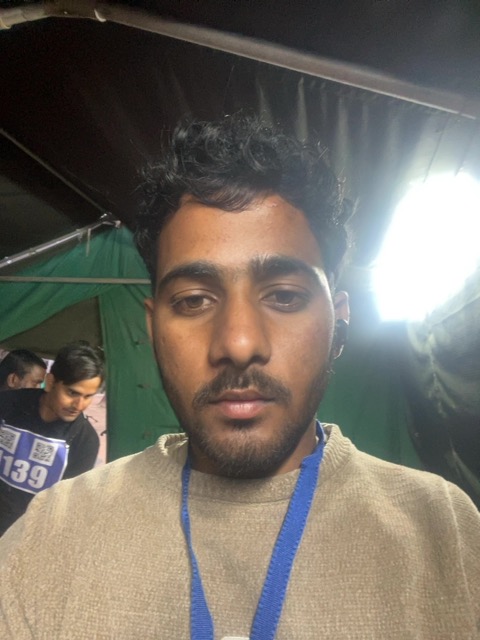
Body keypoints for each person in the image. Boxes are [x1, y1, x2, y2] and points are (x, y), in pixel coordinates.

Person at [0, 115, 479, 639]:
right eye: (194, 300)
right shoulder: (54, 532)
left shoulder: (447, 532)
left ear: (338, 322)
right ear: (153, 329)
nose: (239, 342)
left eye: (285, 296)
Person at [0, 341, 103, 535]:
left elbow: (65, 504)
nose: (79, 405)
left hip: (25, 536)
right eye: (72, 393)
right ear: (50, 382)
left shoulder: (85, 441)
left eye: (88, 396)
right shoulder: (8, 405)